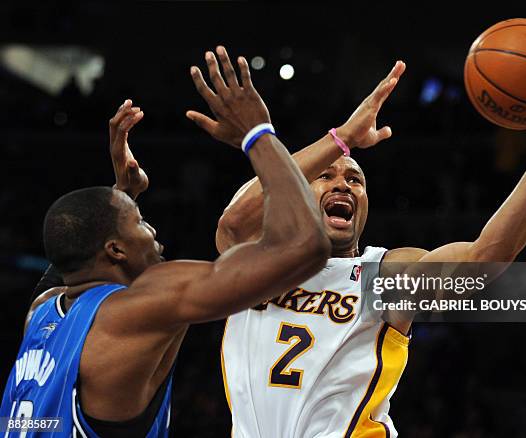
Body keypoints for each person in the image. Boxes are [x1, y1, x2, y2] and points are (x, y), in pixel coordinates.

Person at [207, 46, 526, 437]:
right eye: (326, 176)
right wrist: (340, 140)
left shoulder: (380, 277)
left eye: (355, 180)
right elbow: (234, 222)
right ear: (295, 193)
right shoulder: (258, 266)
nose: (343, 183)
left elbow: (486, 256)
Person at [0, 48, 331, 437]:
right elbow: (303, 246)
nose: (153, 231)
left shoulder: (41, 315)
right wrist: (257, 133)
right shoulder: (138, 308)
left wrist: (122, 194)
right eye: (139, 222)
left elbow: (70, 260)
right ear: (114, 250)